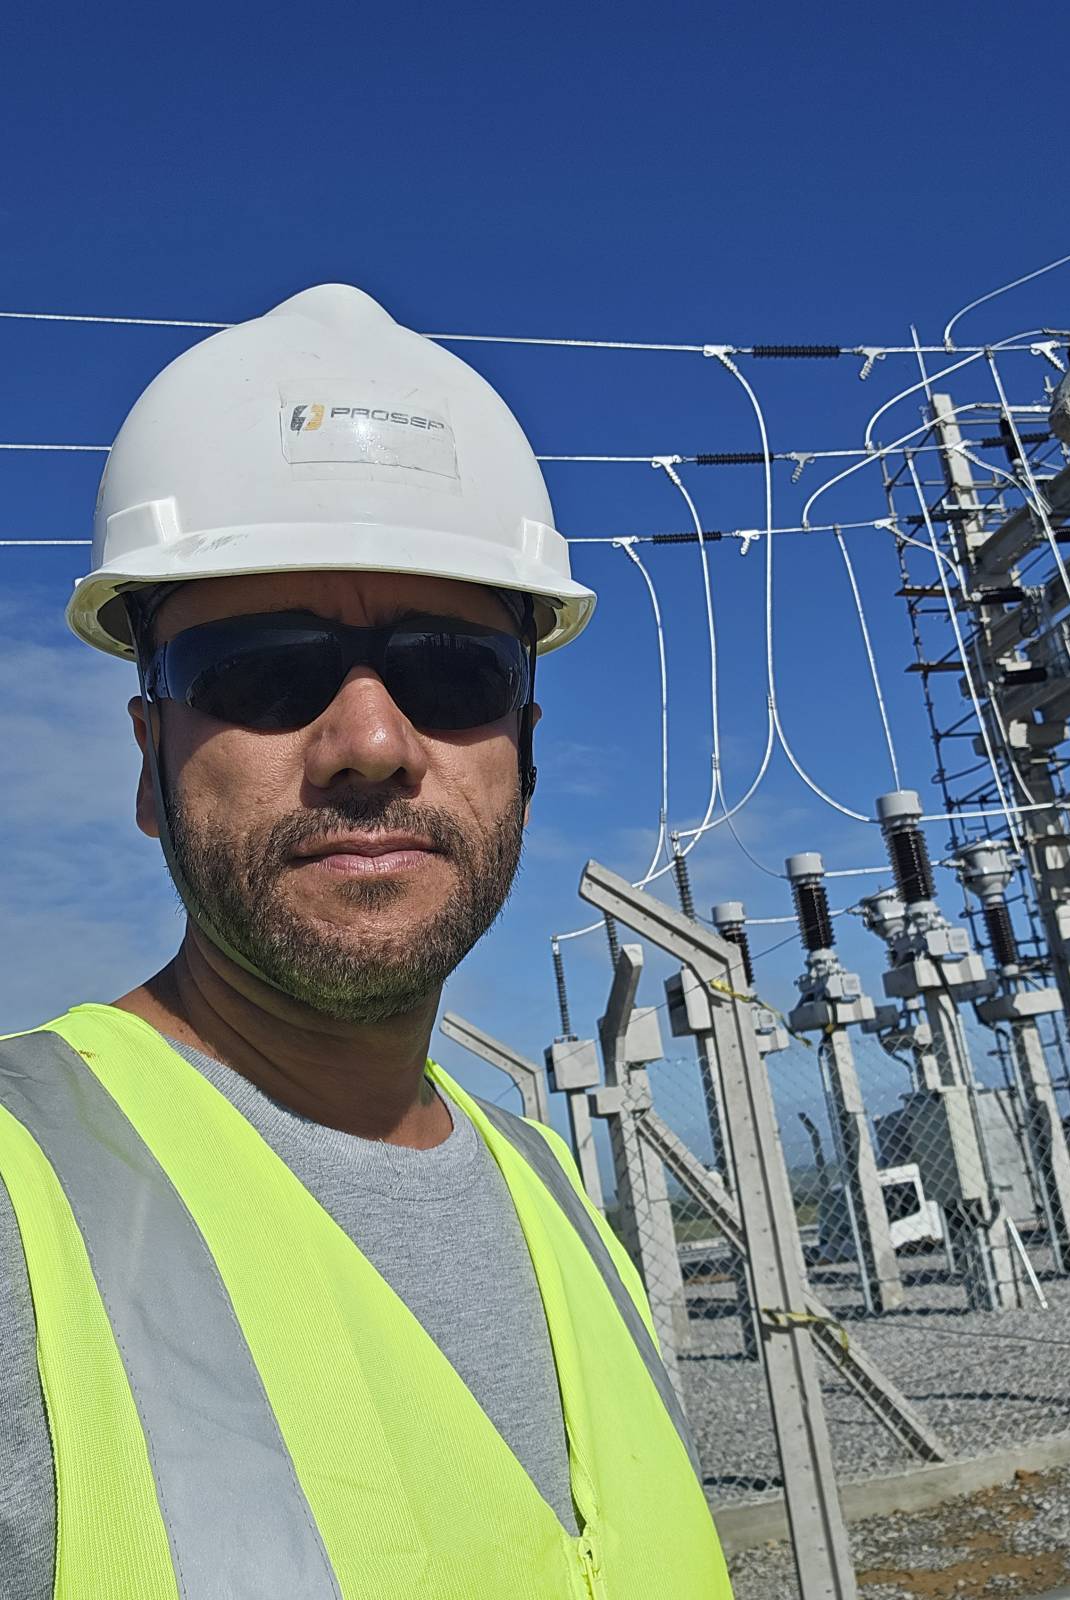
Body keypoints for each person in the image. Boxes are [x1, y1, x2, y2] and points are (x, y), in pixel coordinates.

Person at [0, 285, 733, 1598]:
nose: (372, 745)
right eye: (262, 672)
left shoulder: (551, 1188)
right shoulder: (22, 1204)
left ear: (523, 748)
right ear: (149, 765)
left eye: (451, 672)